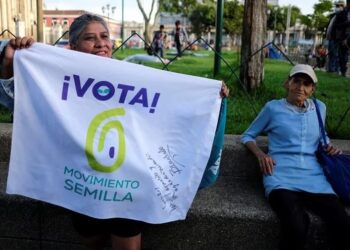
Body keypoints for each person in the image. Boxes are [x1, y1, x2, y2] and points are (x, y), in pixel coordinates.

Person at [0, 13, 229, 250]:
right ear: (73, 45)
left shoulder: (131, 76)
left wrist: (209, 97)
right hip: (80, 181)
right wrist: (9, 64)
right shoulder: (57, 78)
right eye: (90, 38)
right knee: (93, 242)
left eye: (105, 36)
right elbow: (21, 99)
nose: (100, 42)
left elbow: (170, 106)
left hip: (126, 181)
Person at [240, 64, 350, 250]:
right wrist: (260, 154)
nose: (301, 87)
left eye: (307, 84)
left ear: (312, 89)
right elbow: (247, 135)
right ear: (287, 83)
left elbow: (321, 138)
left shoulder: (319, 107)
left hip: (315, 178)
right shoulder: (273, 108)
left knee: (343, 225)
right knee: (297, 225)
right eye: (296, 81)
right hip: (280, 176)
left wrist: (328, 146)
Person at [326, 1, 345, 73]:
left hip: (338, 39)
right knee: (331, 54)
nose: (337, 7)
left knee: (336, 55)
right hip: (331, 38)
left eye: (339, 6)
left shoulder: (344, 16)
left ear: (343, 6)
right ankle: (330, 69)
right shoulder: (333, 16)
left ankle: (335, 70)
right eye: (337, 6)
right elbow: (330, 28)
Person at [334, 1, 350, 76]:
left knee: (344, 55)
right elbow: (337, 26)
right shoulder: (341, 14)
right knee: (342, 56)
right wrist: (347, 23)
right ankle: (343, 71)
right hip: (343, 37)